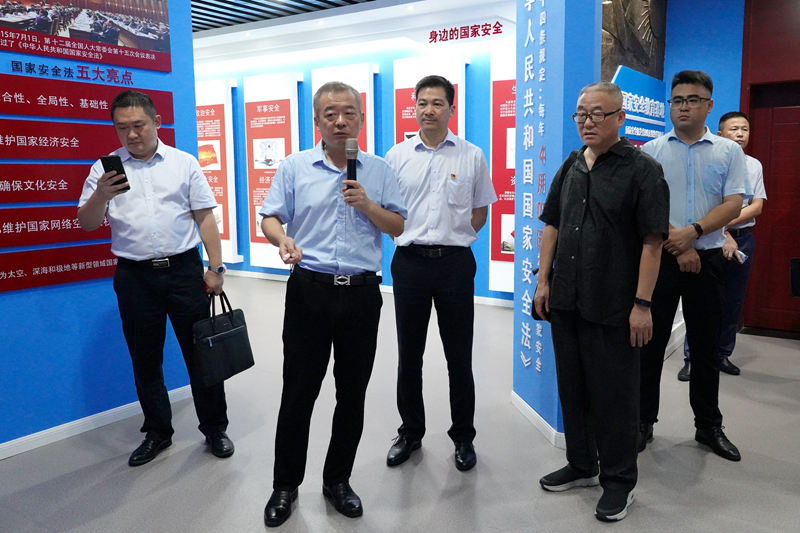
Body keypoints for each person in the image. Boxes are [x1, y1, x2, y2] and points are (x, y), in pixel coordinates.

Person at [259, 81, 406, 528]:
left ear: (361, 118)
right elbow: (270, 217)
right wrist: (282, 239)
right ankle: (285, 485)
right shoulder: (295, 166)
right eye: (330, 114)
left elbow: (397, 226)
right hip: (310, 290)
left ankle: (337, 480)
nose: (340, 121)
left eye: (348, 113)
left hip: (361, 294)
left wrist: (368, 205)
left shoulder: (379, 169)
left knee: (352, 392)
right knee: (298, 391)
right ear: (317, 120)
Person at [534, 82, 669, 522]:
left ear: (620, 118)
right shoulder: (573, 164)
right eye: (581, 114)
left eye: (597, 114)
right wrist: (543, 281)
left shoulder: (642, 169)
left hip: (613, 303)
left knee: (615, 397)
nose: (587, 122)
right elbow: (552, 224)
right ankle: (581, 465)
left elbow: (653, 241)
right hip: (567, 299)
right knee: (572, 389)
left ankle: (619, 481)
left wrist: (642, 305)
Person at [77, 90, 233, 467]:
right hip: (135, 277)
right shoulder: (104, 170)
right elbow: (87, 223)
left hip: (184, 271)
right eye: (122, 127)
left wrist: (215, 267)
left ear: (156, 122)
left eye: (138, 125)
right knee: (145, 360)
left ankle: (215, 428)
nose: (131, 134)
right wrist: (100, 195)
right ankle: (158, 432)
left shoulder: (183, 163)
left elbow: (204, 217)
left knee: (202, 355)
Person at [384, 75, 497, 472]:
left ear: (451, 108)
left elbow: (480, 210)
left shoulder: (471, 155)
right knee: (409, 355)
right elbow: (388, 210)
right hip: (410, 264)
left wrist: (456, 235)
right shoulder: (396, 156)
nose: (428, 110)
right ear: (414, 107)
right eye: (422, 103)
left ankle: (463, 437)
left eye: (436, 103)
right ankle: (410, 432)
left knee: (458, 357)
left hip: (454, 266)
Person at [639, 71, 747, 461]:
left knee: (705, 349)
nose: (683, 106)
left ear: (709, 105)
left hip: (710, 261)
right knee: (649, 346)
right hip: (661, 260)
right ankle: (642, 422)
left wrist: (695, 232)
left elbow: (733, 204)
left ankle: (708, 426)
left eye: (692, 99)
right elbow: (645, 206)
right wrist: (678, 241)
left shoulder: (728, 151)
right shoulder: (650, 151)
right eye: (678, 100)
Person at [677, 111, 766, 381]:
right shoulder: (708, 161)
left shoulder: (754, 165)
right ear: (720, 133)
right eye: (734, 129)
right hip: (709, 239)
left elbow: (756, 207)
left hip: (743, 238)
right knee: (701, 301)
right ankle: (692, 358)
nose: (740, 134)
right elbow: (704, 206)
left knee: (733, 301)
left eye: (744, 129)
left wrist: (726, 226)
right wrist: (721, 232)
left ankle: (722, 354)